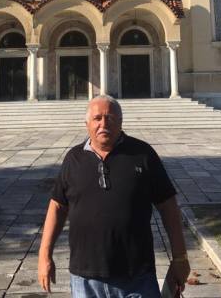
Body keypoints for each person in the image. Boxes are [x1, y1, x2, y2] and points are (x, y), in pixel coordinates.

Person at [38, 96, 190, 297]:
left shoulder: (143, 154)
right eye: (97, 118)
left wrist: (180, 257)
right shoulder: (73, 159)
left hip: (137, 277)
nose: (103, 124)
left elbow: (168, 206)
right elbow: (57, 206)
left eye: (110, 118)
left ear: (120, 122)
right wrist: (44, 255)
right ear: (86, 124)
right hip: (85, 279)